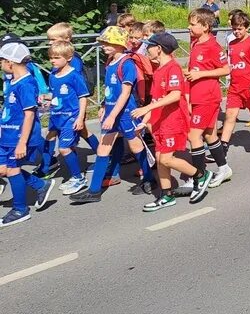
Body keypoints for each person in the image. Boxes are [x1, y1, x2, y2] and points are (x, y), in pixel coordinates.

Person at [70, 27, 154, 204]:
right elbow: (110, 90)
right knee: (102, 149)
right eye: (103, 43)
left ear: (119, 44)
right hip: (111, 112)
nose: (103, 46)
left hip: (126, 114)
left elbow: (125, 93)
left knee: (136, 148)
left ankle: (149, 178)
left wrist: (112, 115)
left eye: (107, 43)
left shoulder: (127, 64)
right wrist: (103, 106)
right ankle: (94, 191)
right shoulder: (110, 62)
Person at [131, 33, 212, 210]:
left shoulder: (173, 68)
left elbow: (175, 95)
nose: (146, 49)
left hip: (173, 121)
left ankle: (201, 175)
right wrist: (145, 121)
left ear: (159, 49)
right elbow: (156, 100)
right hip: (159, 122)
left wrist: (146, 108)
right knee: (160, 159)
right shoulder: (158, 70)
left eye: (149, 46)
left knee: (166, 159)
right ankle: (166, 195)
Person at [0, 42, 54, 226]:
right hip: (7, 134)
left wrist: (22, 142)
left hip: (19, 137)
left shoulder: (26, 84)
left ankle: (20, 209)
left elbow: (29, 114)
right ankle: (40, 185)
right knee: (3, 170)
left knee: (12, 169)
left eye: (1, 61)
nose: (0, 64)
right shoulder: (12, 80)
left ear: (10, 62)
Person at [185, 8, 232, 188]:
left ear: (205, 26)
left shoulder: (213, 46)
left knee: (193, 135)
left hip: (208, 97)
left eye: (192, 24)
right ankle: (224, 169)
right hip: (197, 96)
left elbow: (226, 69)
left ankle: (199, 176)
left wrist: (201, 74)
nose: (188, 27)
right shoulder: (195, 43)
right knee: (209, 134)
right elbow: (195, 69)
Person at [45, 41, 90, 195]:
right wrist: (47, 99)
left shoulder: (74, 75)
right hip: (56, 116)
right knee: (69, 148)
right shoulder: (53, 75)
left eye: (57, 57)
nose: (52, 61)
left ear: (69, 57)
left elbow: (83, 97)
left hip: (70, 117)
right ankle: (75, 174)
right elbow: (55, 94)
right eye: (51, 57)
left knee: (63, 149)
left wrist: (80, 118)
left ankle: (79, 178)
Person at [220, 11, 250, 152]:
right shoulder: (232, 44)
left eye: (240, 29)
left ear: (247, 28)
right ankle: (223, 147)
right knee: (230, 115)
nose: (237, 32)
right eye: (234, 29)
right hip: (235, 87)